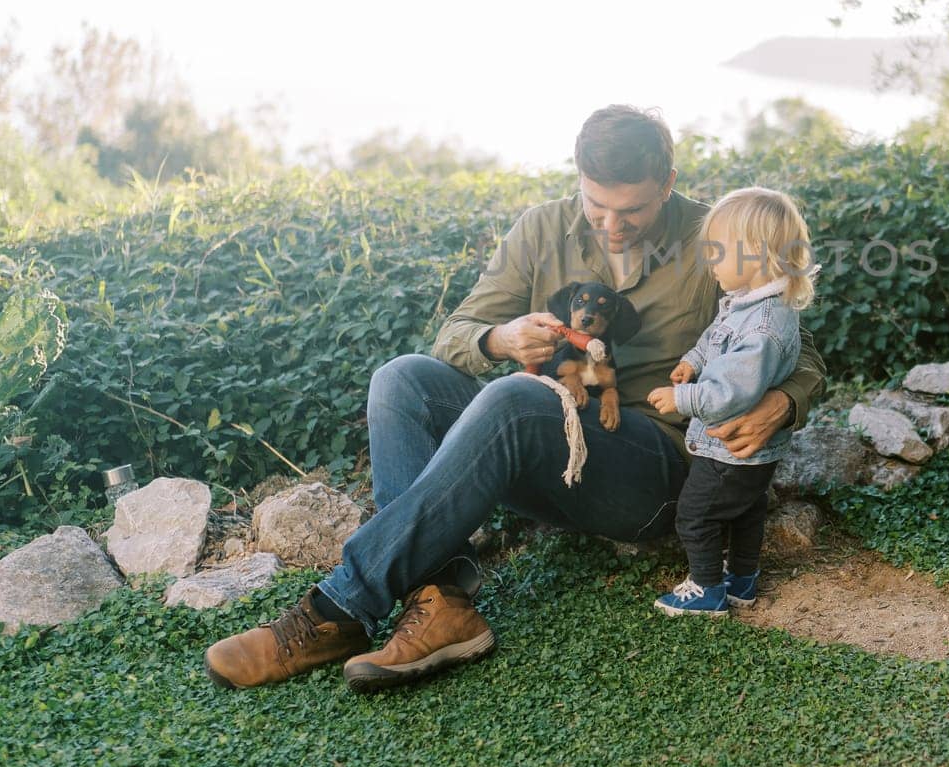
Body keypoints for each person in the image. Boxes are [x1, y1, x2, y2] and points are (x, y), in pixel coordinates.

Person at [203, 105, 827, 692]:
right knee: (403, 378)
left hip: (654, 472)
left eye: (630, 210)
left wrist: (783, 401)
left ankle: (337, 608)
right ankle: (440, 602)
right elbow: (455, 334)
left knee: (517, 402)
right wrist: (499, 339)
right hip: (553, 460)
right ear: (578, 180)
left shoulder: (714, 232)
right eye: (596, 206)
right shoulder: (542, 229)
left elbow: (797, 341)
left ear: (666, 182)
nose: (610, 227)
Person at [646, 187, 818, 617]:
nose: (709, 260)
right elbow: (717, 339)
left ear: (755, 255)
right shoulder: (749, 306)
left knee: (695, 515)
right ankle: (742, 579)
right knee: (746, 510)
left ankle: (706, 590)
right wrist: (692, 360)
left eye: (717, 251)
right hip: (749, 454)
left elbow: (728, 393)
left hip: (728, 446)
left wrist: (681, 397)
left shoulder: (763, 326)